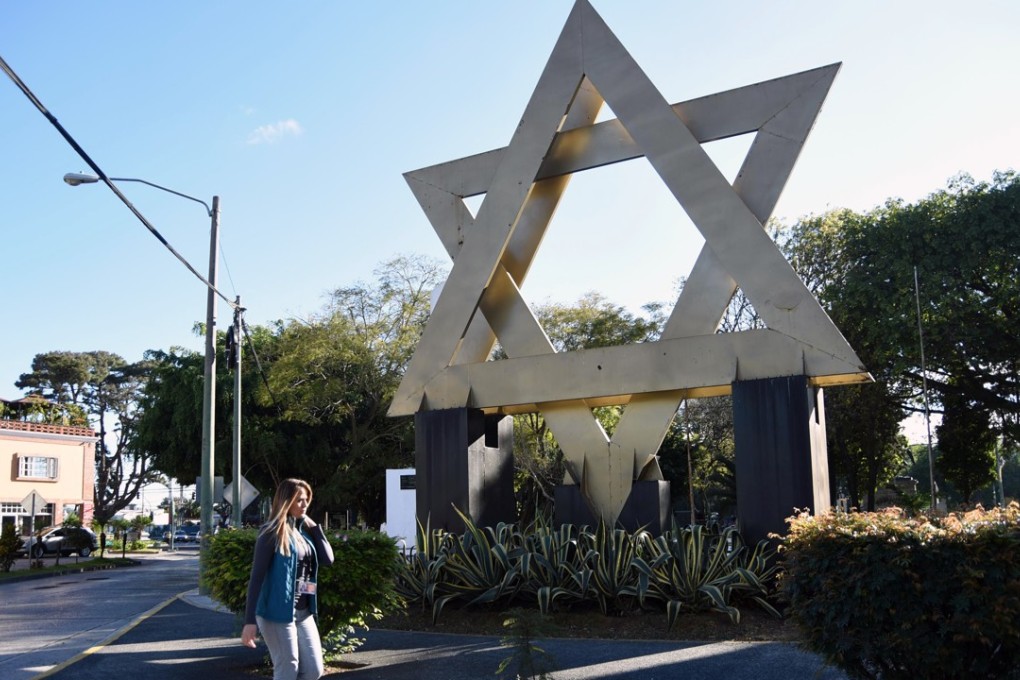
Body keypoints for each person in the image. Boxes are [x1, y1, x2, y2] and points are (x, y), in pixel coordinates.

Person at [241, 478, 335, 680]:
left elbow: (328, 559)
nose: (305, 504)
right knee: (287, 669)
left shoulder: (304, 533)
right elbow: (256, 577)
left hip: (303, 612)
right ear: (286, 501)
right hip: (276, 614)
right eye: (299, 500)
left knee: (313, 670)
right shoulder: (271, 532)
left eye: (307, 499)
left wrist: (314, 527)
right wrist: (249, 621)